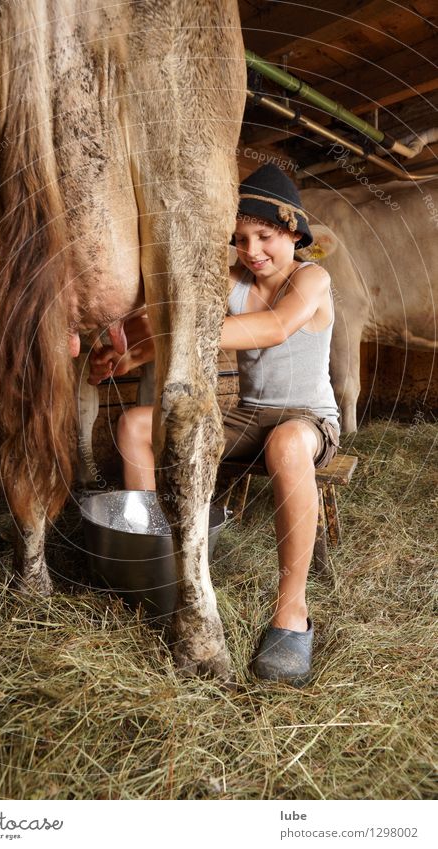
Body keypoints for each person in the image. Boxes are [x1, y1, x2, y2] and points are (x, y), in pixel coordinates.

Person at [88, 164, 340, 687]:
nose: (252, 251)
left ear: (294, 232)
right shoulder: (237, 280)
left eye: (265, 237)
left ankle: (291, 614)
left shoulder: (312, 278)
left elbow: (274, 327)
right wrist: (125, 357)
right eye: (241, 239)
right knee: (137, 424)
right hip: (248, 414)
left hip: (307, 418)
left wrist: (181, 326)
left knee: (288, 443)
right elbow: (178, 320)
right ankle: (166, 568)